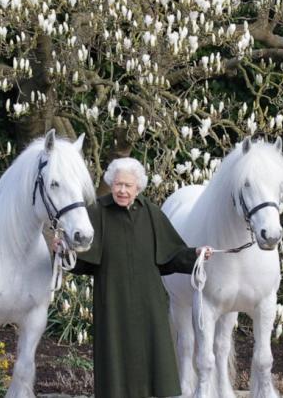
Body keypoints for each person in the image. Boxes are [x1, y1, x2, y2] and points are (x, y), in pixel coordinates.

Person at [65, 157, 212, 398]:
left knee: (152, 358)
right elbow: (81, 260)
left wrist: (195, 254)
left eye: (128, 185)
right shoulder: (97, 212)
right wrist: (64, 252)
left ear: (138, 188)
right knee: (115, 362)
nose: (122, 190)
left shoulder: (152, 213)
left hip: (149, 304)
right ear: (111, 184)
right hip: (111, 301)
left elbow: (172, 254)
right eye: (118, 184)